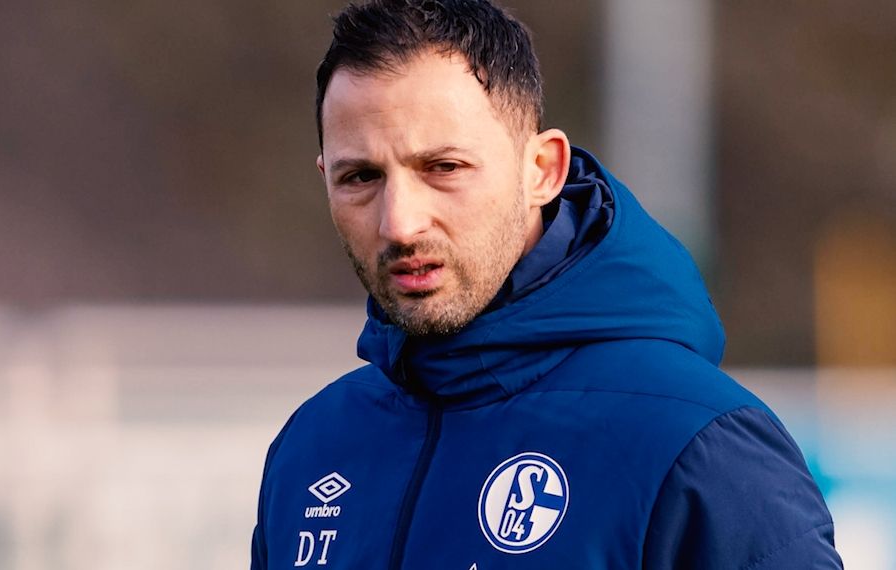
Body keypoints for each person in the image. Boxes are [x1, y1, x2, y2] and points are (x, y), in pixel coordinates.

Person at [251, 0, 842, 568]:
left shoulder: (694, 441)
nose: (400, 224)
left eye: (444, 168)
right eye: (361, 177)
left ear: (542, 171)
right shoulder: (313, 447)